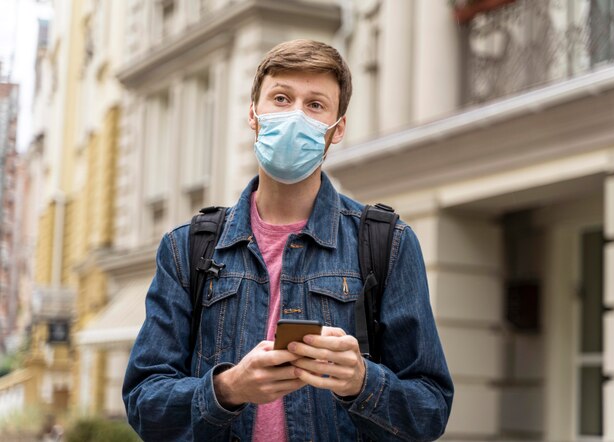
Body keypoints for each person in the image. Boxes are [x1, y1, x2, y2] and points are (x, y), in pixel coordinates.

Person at [123, 39, 453, 441]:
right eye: (281, 98)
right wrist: (228, 389)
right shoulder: (187, 248)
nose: (295, 115)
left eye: (315, 105)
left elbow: (430, 410)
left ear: (337, 129)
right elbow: (144, 402)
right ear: (253, 115)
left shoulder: (388, 244)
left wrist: (362, 382)